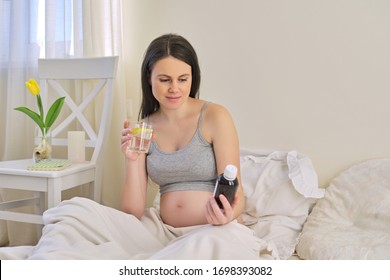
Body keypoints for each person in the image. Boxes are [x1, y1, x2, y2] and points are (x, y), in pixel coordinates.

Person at [120, 33, 245, 227]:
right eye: (164, 80)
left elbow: (237, 195)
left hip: (216, 229)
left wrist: (226, 217)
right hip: (166, 233)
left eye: (183, 79)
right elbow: (132, 212)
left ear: (192, 78)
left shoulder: (216, 116)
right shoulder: (144, 128)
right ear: (149, 77)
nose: (174, 88)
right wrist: (131, 160)